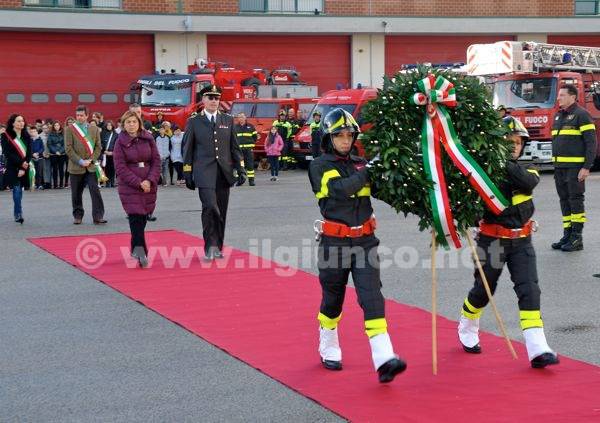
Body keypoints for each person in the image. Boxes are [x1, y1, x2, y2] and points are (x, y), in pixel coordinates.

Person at [308, 108, 406, 383]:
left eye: (350, 135)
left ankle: (384, 358)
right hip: (334, 243)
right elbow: (340, 190)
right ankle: (328, 342)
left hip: (365, 241)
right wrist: (369, 171)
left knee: (372, 296)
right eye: (339, 135)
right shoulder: (318, 166)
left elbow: (388, 193)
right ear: (329, 137)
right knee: (333, 298)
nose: (345, 140)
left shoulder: (361, 163)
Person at [457, 116, 559, 369]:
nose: (514, 146)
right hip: (491, 240)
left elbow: (526, 182)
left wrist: (498, 158)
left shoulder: (528, 169)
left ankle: (538, 348)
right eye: (508, 142)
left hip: (523, 241)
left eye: (517, 142)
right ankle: (467, 324)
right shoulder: (485, 174)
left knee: (529, 290)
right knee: (484, 290)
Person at [182, 84, 245, 260]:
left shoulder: (227, 120)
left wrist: (240, 169)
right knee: (210, 207)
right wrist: (187, 172)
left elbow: (235, 148)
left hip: (223, 173)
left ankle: (218, 246)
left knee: (222, 210)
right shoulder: (194, 122)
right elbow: (187, 149)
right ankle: (210, 245)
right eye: (210, 98)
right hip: (204, 173)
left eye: (216, 98)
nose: (214, 101)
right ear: (203, 100)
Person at [550, 84, 597, 252]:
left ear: (572, 97)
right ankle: (568, 234)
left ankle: (577, 238)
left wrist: (586, 167)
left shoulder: (582, 115)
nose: (558, 98)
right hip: (559, 168)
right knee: (564, 201)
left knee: (575, 200)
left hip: (575, 168)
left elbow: (591, 143)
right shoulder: (558, 116)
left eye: (562, 95)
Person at [113, 110, 161, 268]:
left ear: (139, 123)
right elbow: (120, 168)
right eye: (128, 122)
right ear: (123, 125)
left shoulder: (148, 138)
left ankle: (135, 247)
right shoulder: (119, 142)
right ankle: (142, 253)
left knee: (142, 218)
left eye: (134, 122)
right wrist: (138, 182)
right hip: (130, 186)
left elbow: (156, 161)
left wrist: (150, 180)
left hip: (148, 184)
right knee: (135, 217)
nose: (131, 125)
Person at [64, 105, 107, 225]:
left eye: (82, 115)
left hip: (91, 166)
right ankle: (78, 215)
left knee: (95, 190)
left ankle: (98, 216)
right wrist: (80, 161)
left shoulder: (94, 129)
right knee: (76, 193)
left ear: (87, 116)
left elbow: (98, 147)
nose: (79, 117)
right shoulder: (70, 129)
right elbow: (68, 149)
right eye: (77, 115)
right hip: (76, 167)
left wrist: (91, 160)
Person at [1, 114, 33, 223]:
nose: (21, 123)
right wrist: (21, 164)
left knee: (20, 190)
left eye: (23, 121)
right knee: (17, 189)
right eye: (18, 121)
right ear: (13, 123)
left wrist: (24, 167)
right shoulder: (5, 136)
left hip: (24, 167)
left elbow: (29, 153)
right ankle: (18, 214)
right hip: (12, 167)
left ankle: (17, 211)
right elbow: (7, 153)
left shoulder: (26, 136)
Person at [233, 112, 257, 186]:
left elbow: (255, 137)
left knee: (250, 165)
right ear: (237, 119)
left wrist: (251, 145)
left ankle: (251, 181)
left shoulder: (251, 126)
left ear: (245, 118)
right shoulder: (234, 127)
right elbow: (233, 138)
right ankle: (239, 180)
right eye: (239, 117)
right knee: (239, 165)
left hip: (248, 149)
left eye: (242, 117)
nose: (241, 118)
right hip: (239, 150)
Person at [48, 121, 66, 189]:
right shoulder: (50, 134)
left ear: (60, 126)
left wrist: (60, 151)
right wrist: (56, 151)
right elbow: (49, 144)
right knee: (54, 169)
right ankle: (55, 184)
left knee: (61, 169)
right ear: (53, 126)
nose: (56, 127)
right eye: (55, 125)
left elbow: (65, 144)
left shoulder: (63, 134)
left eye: (58, 125)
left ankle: (61, 184)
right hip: (53, 154)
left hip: (62, 154)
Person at [101, 121, 117, 187]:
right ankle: (107, 182)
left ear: (112, 126)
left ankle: (112, 182)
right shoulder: (103, 134)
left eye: (110, 125)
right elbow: (101, 144)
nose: (109, 126)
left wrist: (113, 152)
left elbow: (117, 144)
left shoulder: (116, 134)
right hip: (105, 153)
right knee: (106, 168)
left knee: (113, 168)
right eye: (108, 125)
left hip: (113, 154)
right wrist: (104, 151)